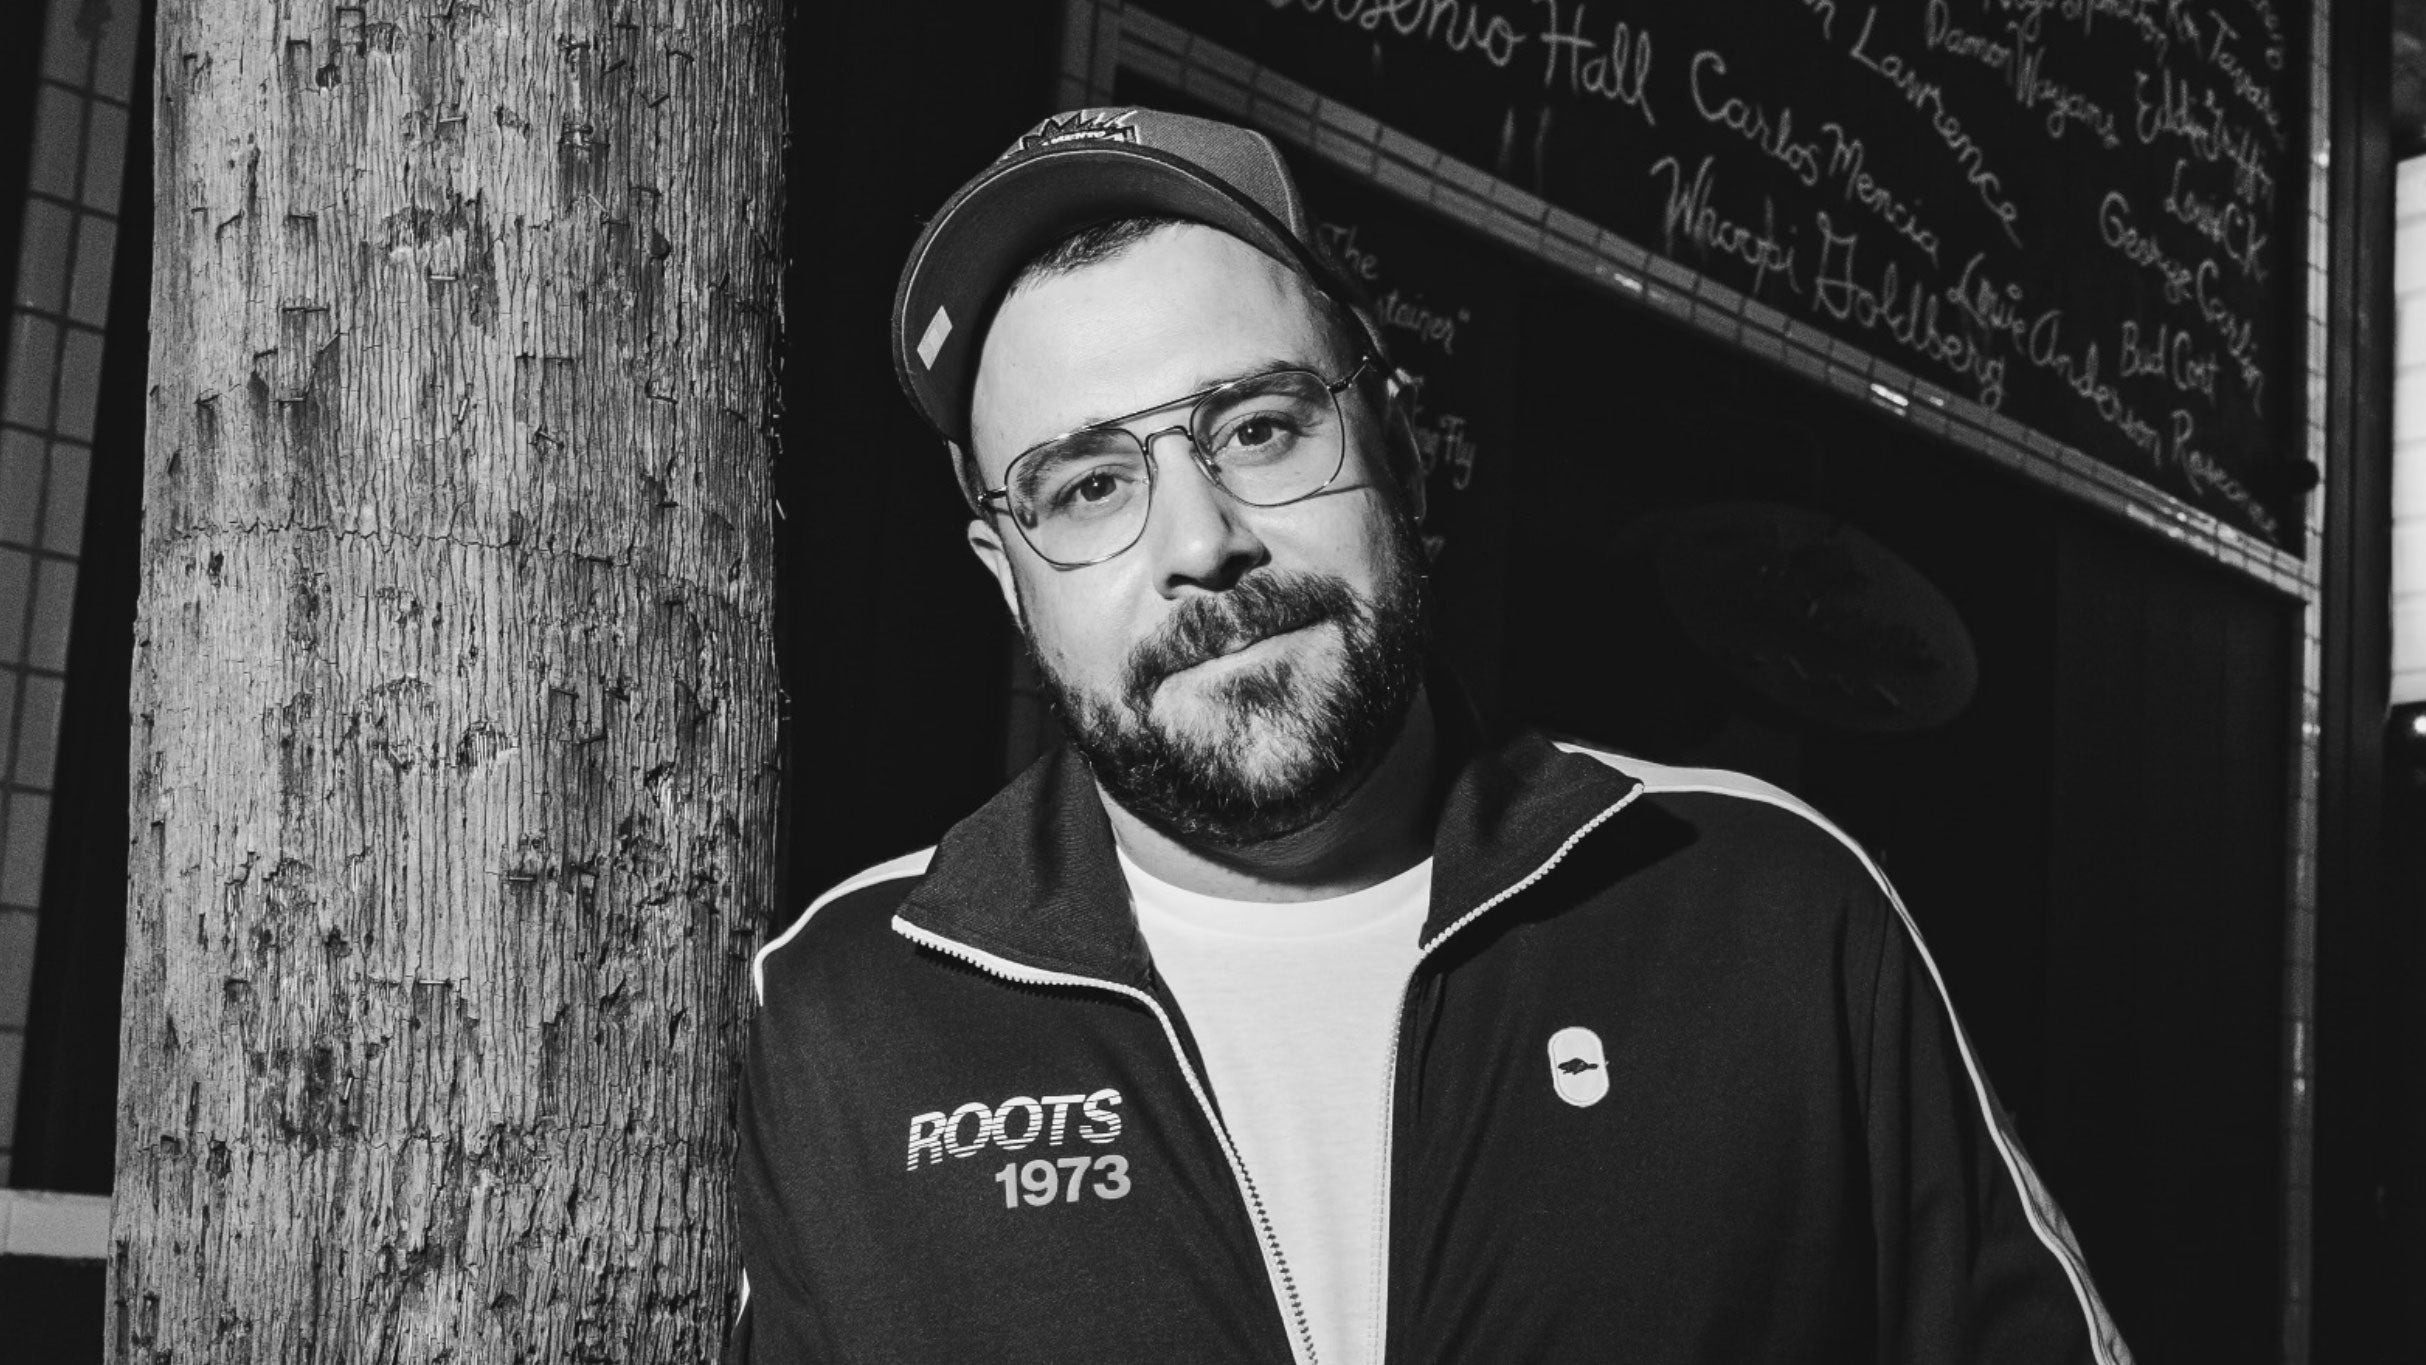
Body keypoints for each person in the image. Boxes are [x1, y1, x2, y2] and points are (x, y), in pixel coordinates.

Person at [727, 107, 2131, 1364]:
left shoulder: (1759, 902)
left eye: (1258, 428)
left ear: (1395, 447)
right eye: (1087, 486)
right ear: (1007, 576)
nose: (1203, 543)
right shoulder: (842, 1017)